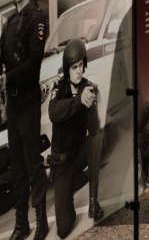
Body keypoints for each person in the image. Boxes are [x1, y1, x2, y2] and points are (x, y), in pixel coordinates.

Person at [0, 0, 50, 240]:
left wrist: (10, 80)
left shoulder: (36, 18)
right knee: (17, 169)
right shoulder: (10, 22)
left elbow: (34, 63)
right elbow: (2, 64)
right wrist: (4, 98)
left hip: (28, 103)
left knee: (32, 165)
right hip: (13, 106)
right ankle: (21, 224)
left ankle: (41, 221)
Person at [48, 39, 104, 239]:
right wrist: (78, 101)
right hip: (62, 164)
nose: (79, 71)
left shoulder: (87, 88)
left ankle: (93, 203)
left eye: (81, 66)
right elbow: (53, 112)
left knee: (97, 139)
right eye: (74, 67)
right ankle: (72, 183)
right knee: (63, 230)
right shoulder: (59, 87)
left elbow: (94, 130)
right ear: (67, 69)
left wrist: (92, 105)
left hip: (78, 156)